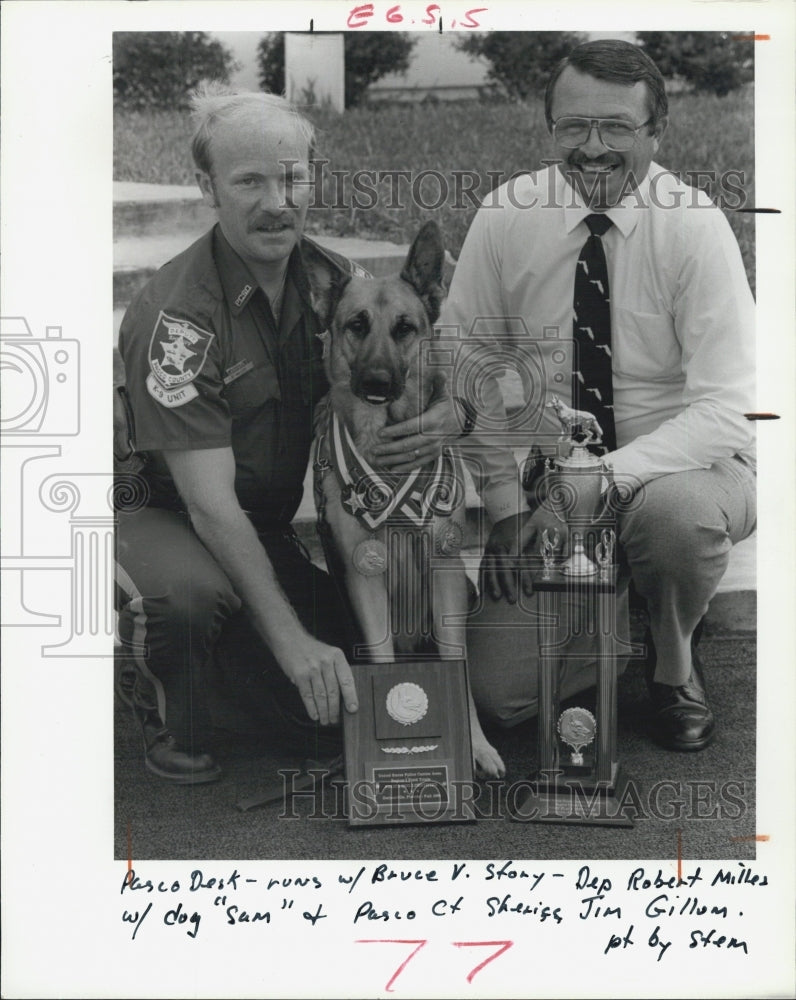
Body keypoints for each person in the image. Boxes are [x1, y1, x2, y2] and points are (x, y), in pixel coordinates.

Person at [114, 87, 457, 783]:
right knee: (189, 602)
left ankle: (235, 663)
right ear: (206, 187)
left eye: (292, 177)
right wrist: (294, 643)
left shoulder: (335, 284)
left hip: (261, 528)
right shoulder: (176, 319)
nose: (277, 201)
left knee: (345, 702)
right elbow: (209, 507)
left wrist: (459, 415)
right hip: (155, 514)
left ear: (312, 178)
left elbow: (409, 369)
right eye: (249, 182)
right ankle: (158, 691)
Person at [441, 39, 756, 752]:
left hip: (690, 470)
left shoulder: (695, 225)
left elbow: (726, 409)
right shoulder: (505, 216)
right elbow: (466, 367)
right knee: (500, 695)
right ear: (549, 126)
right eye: (573, 127)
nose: (592, 148)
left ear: (655, 131)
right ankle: (618, 618)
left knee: (673, 520)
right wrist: (503, 508)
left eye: (617, 127)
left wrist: (592, 485)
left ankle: (673, 663)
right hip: (551, 483)